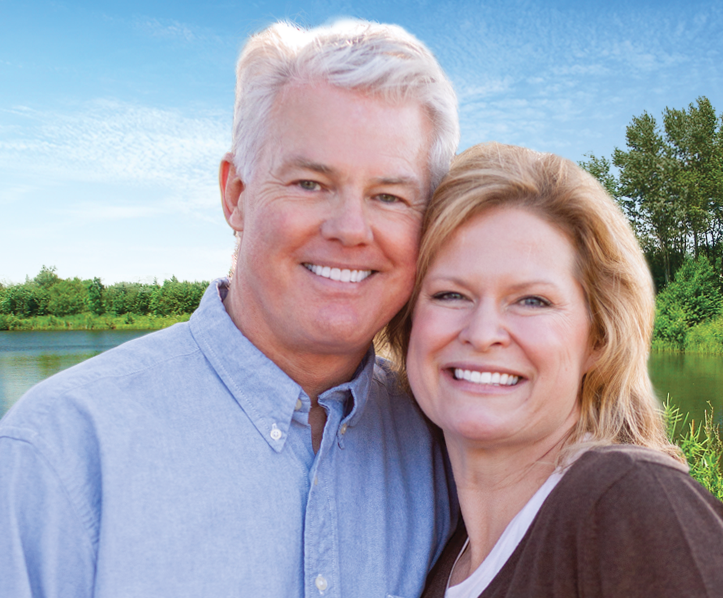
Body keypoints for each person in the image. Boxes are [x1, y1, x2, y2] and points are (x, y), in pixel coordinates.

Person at [0, 20, 459, 597]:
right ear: (235, 194)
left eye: (389, 196)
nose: (350, 229)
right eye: (310, 183)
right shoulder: (57, 453)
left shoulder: (449, 442)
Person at [386, 142, 723, 597]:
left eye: (532, 300)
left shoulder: (632, 505)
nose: (483, 332)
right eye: (450, 294)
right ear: (410, 322)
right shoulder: (448, 560)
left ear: (598, 340)